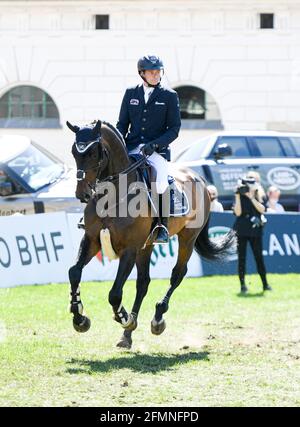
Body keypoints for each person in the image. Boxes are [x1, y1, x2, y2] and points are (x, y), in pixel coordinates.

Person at [116, 54, 181, 243]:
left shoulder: (169, 96)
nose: (155, 75)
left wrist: (155, 144)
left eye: (158, 71)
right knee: (110, 172)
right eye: (151, 72)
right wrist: (119, 145)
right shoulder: (131, 93)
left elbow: (174, 129)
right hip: (132, 147)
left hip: (156, 151)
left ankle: (162, 225)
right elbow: (122, 124)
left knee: (160, 181)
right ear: (142, 74)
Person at [233, 176, 272, 293]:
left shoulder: (259, 194)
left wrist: (251, 198)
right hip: (242, 229)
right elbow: (238, 212)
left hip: (256, 230)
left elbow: (262, 209)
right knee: (242, 258)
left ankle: (265, 284)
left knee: (259, 257)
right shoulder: (240, 194)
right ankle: (243, 285)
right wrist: (237, 196)